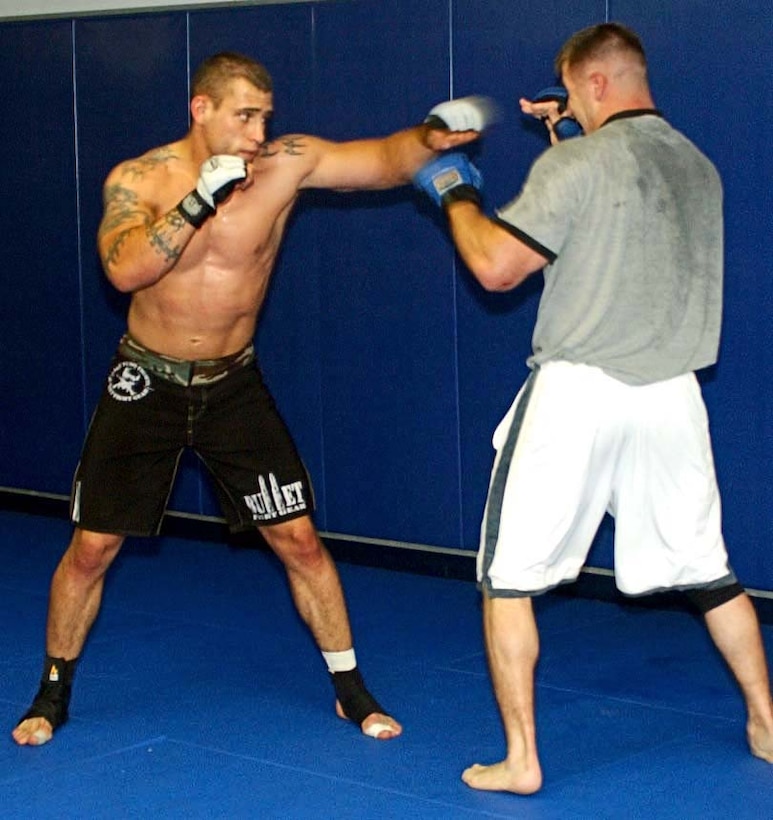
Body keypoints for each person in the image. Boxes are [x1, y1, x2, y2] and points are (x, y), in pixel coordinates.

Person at [12, 51, 492, 747]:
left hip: (232, 384)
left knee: (297, 537)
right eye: (244, 115)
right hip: (145, 379)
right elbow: (124, 270)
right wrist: (199, 199)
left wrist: (428, 140)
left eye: (265, 115)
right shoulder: (140, 178)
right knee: (93, 546)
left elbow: (381, 160)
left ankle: (348, 686)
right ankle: (52, 688)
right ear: (199, 109)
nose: (258, 132)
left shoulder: (284, 165)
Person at [414, 22, 773, 794]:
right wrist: (565, 138)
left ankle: (520, 761)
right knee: (709, 573)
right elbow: (607, 227)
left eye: (572, 89)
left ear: (596, 83)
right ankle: (767, 725)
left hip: (579, 393)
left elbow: (497, 267)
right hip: (671, 394)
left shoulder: (578, 163)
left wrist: (456, 193)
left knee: (506, 578)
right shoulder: (696, 167)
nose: (566, 102)